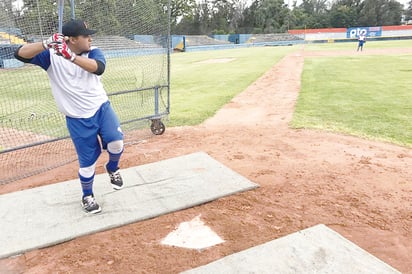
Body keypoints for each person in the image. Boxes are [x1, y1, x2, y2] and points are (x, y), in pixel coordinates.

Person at [14, 20, 124, 214]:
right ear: (72, 39)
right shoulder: (50, 57)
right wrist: (46, 43)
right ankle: (87, 196)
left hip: (101, 108)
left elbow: (98, 68)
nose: (90, 38)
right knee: (87, 162)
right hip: (77, 118)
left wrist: (71, 57)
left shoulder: (94, 51)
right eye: (85, 35)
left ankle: (112, 168)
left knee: (117, 143)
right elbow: (19, 54)